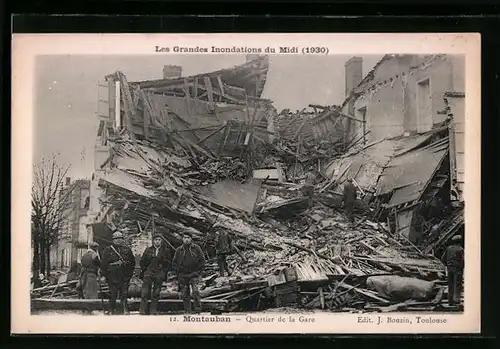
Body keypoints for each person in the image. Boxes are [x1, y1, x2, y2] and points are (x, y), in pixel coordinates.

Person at [100, 231, 136, 315]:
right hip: (112, 276)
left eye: (120, 238)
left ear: (122, 240)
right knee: (113, 294)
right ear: (113, 240)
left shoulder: (127, 250)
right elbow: (103, 264)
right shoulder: (108, 250)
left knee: (124, 294)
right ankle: (111, 310)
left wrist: (129, 275)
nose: (118, 240)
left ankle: (125, 310)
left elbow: (132, 263)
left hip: (124, 275)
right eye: (116, 239)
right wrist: (103, 275)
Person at [139, 233, 174, 315]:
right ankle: (142, 310)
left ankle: (153, 310)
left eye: (159, 240)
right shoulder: (148, 250)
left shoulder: (166, 251)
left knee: (156, 293)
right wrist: (146, 270)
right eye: (156, 240)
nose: (157, 242)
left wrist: (163, 272)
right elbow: (142, 262)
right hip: (148, 273)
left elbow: (169, 264)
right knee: (144, 292)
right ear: (153, 241)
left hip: (159, 273)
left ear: (161, 241)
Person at [173, 231, 206, 314]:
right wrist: (178, 273)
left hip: (193, 274)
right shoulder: (179, 250)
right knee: (185, 294)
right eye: (185, 238)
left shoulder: (196, 248)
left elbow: (202, 261)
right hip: (183, 275)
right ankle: (188, 311)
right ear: (182, 239)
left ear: (191, 239)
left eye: (188, 238)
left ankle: (198, 310)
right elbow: (174, 263)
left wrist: (198, 272)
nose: (186, 240)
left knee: (195, 291)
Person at [441, 235, 464, 306]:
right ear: (459, 241)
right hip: (457, 269)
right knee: (457, 285)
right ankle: (456, 301)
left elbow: (443, 259)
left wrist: (447, 265)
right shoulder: (460, 249)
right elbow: (462, 260)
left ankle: (450, 301)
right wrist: (461, 267)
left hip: (449, 268)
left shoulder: (448, 248)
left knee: (450, 285)